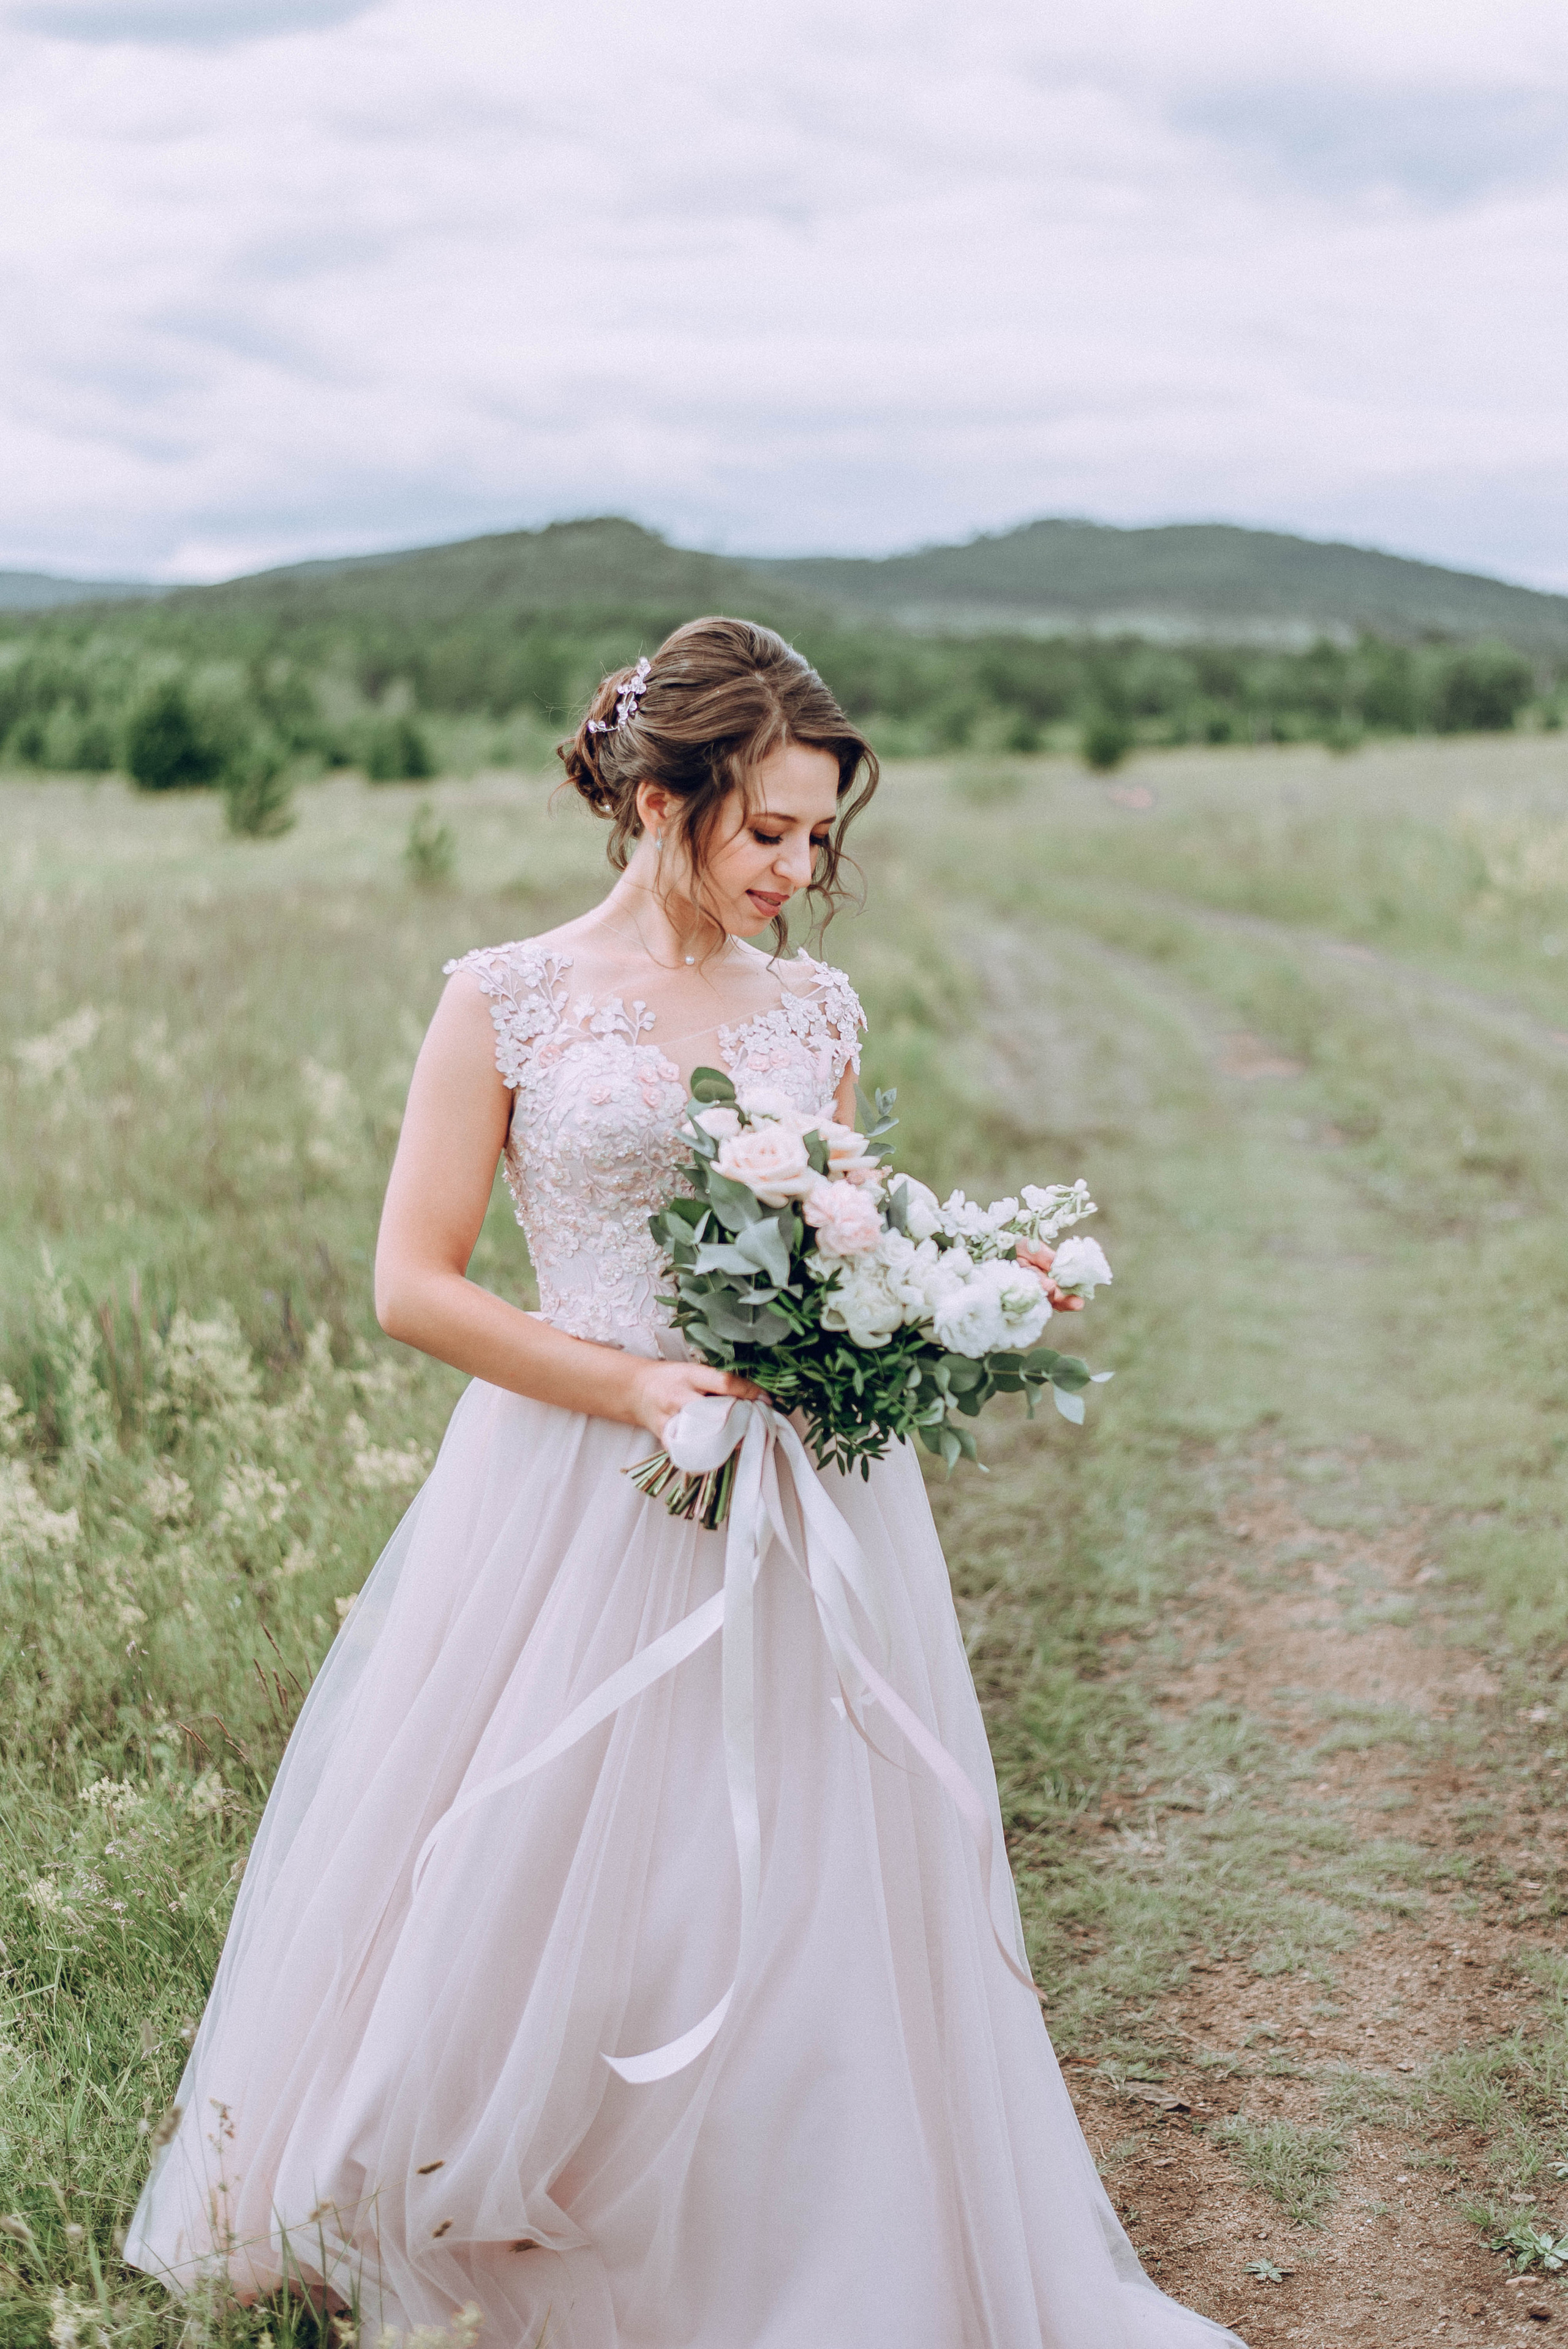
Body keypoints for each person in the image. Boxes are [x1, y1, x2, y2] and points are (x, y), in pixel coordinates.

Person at [127, 617, 1245, 2349]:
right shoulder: (504, 997)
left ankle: (794, 2246)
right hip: (569, 1483)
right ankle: (497, 2194)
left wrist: (959, 1288)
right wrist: (633, 1384)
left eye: (819, 835)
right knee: (547, 1858)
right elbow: (413, 1284)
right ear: (660, 799)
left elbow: (838, 1234)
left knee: (790, 1862)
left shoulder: (814, 1008)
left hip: (796, 1491)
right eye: (768, 828)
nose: (797, 869)